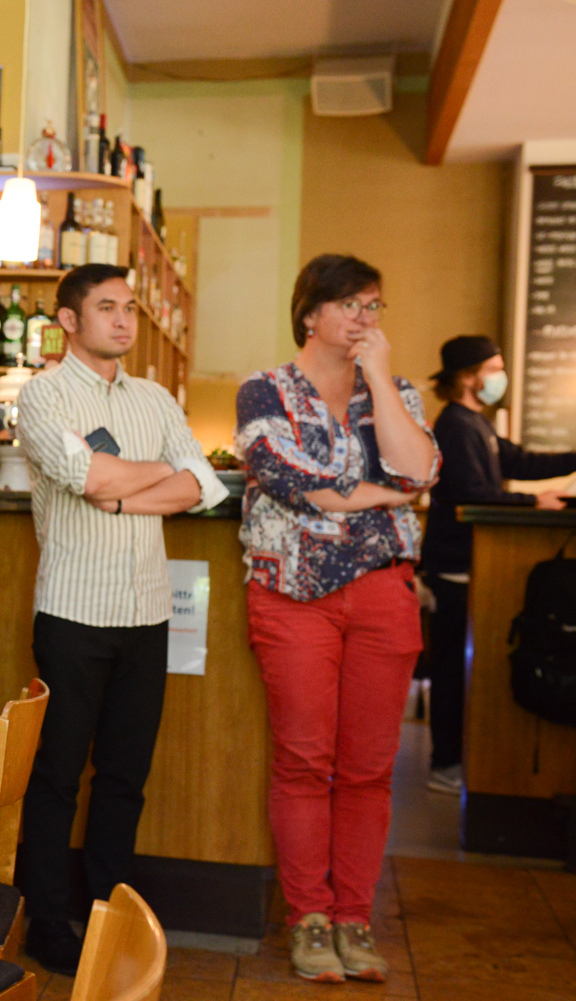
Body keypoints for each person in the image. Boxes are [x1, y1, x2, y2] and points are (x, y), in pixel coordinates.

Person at [14, 263, 228, 975]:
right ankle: (47, 922)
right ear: (68, 320)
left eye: (130, 308)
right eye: (107, 307)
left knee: (125, 776)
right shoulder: (45, 394)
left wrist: (120, 492)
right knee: (56, 774)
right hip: (72, 611)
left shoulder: (156, 397)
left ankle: (109, 914)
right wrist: (153, 472)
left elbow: (202, 483)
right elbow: (87, 476)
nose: (124, 320)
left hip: (146, 610)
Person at [236, 254, 440, 984]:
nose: (363, 318)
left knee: (369, 768)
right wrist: (383, 495)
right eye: (350, 304)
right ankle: (310, 919)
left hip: (384, 593)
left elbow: (419, 471)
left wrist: (379, 379)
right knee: (303, 760)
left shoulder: (397, 391)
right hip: (294, 593)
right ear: (310, 313)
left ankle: (354, 916)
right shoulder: (264, 389)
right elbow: (293, 479)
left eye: (373, 305)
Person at [421, 335, 576, 795]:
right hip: (455, 566)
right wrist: (533, 502)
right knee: (451, 670)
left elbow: (520, 461)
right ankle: (445, 764)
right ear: (468, 376)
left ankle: (457, 760)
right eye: (495, 368)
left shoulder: (477, 424)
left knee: (460, 667)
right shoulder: (455, 425)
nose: (500, 378)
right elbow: (471, 492)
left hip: (470, 565)